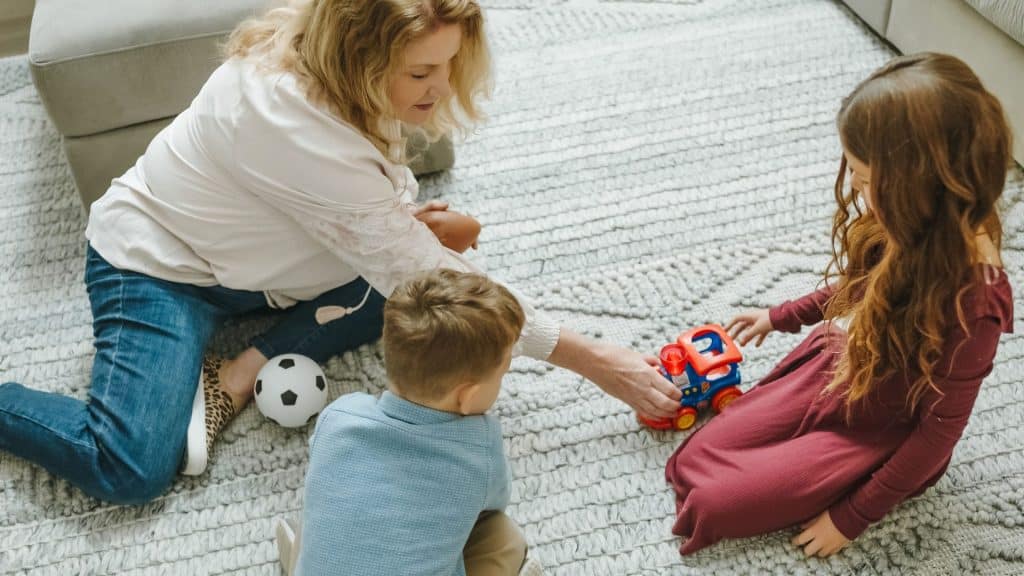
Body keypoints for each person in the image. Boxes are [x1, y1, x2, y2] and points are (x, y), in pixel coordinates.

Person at [0, 0, 679, 506]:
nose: (441, 87)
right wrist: (596, 359)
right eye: (422, 71)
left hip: (276, 264)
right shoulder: (287, 118)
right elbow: (409, 255)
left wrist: (401, 221)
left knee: (416, 292)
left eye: (448, 65)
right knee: (130, 467)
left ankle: (238, 372)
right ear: (360, 54)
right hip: (158, 266)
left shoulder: (328, 57)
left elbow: (375, 221)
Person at [664, 52, 1014, 557]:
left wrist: (851, 519)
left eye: (864, 178)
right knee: (696, 455)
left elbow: (937, 433)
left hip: (887, 432)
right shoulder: (913, 225)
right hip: (854, 369)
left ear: (918, 186)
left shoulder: (976, 304)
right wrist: (779, 316)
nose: (852, 186)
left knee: (715, 504)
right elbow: (858, 288)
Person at [275, 269, 542, 575]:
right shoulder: (479, 447)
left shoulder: (339, 416)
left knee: (329, 505)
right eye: (502, 375)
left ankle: (300, 559)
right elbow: (493, 505)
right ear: (467, 396)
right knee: (501, 534)